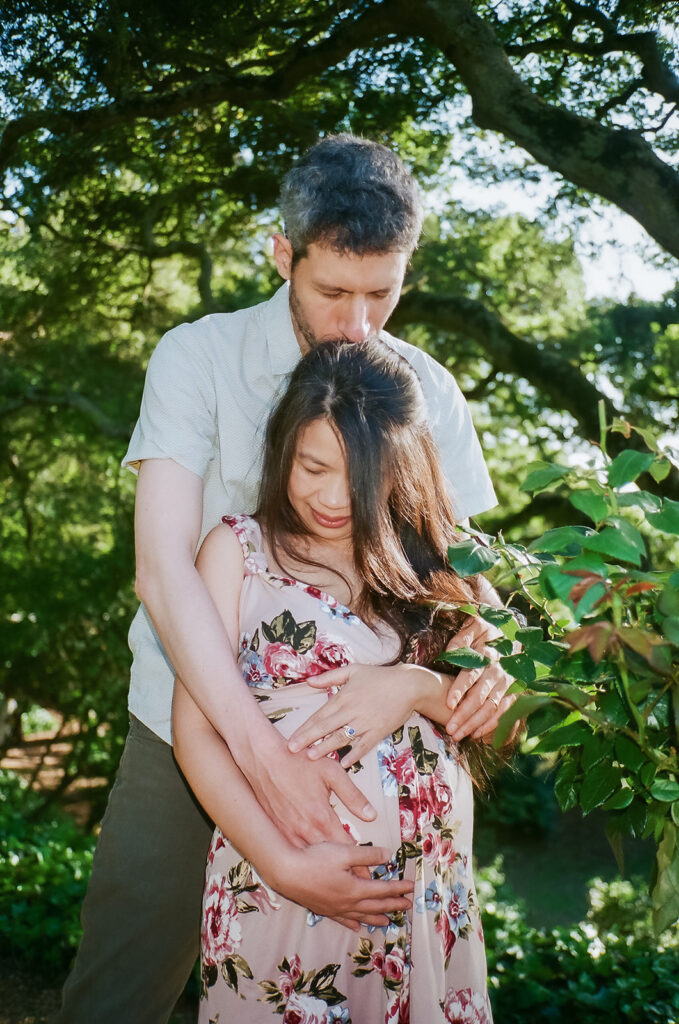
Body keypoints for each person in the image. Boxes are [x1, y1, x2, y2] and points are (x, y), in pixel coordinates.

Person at [57, 134, 509, 1024]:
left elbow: (468, 583)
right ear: (281, 254)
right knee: (118, 994)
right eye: (332, 292)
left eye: (381, 294)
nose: (356, 326)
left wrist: (467, 664)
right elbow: (162, 570)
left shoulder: (429, 392)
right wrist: (260, 761)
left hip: (385, 774)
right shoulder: (197, 356)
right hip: (188, 741)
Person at [174, 337, 494, 1023]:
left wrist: (410, 685)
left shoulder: (442, 559)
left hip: (427, 899)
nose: (330, 496)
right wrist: (286, 869)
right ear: (283, 449)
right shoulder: (237, 550)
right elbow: (194, 733)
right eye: (312, 466)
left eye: (357, 476)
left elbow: (502, 712)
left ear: (398, 467)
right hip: (282, 891)